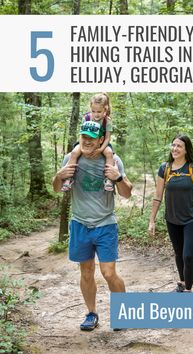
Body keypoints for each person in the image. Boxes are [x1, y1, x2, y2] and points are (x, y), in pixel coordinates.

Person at [53, 120, 132, 330]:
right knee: (86, 272)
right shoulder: (70, 158)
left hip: (105, 224)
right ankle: (91, 314)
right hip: (80, 224)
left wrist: (119, 178)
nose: (87, 142)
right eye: (84, 137)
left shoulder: (113, 160)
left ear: (100, 140)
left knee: (108, 273)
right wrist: (58, 176)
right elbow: (56, 188)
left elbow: (126, 193)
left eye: (91, 138)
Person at [148, 134, 193, 292]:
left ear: (186, 149)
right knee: (178, 253)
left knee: (188, 255)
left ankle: (188, 290)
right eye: (173, 145)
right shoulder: (165, 168)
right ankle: (182, 283)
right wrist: (152, 220)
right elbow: (157, 196)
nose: (175, 149)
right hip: (172, 219)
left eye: (179, 146)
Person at [61, 93, 115, 192]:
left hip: (102, 143)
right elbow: (81, 135)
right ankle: (68, 178)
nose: (96, 114)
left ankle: (109, 180)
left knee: (109, 153)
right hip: (84, 141)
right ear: (90, 108)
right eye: (93, 111)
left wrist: (100, 149)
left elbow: (107, 138)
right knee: (74, 153)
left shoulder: (107, 121)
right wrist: (81, 148)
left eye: (99, 111)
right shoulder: (86, 118)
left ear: (105, 109)